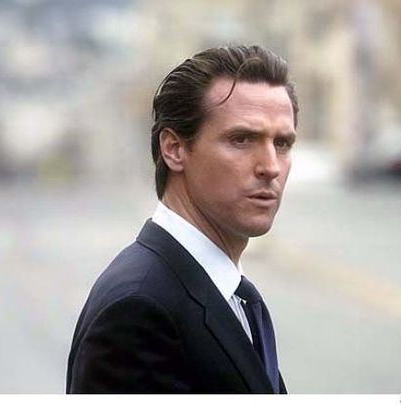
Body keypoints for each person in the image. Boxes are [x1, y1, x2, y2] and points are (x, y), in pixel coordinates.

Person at [66, 44, 298, 394]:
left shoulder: (233, 294)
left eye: (282, 144)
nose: (270, 166)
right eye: (241, 139)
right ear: (174, 149)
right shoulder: (139, 310)